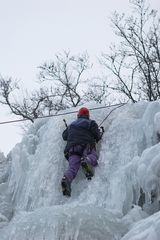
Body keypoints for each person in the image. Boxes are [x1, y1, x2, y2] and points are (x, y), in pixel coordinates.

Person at [61, 107, 103, 196]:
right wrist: (99, 133)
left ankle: (66, 179)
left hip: (72, 149)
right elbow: (97, 135)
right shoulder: (91, 123)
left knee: (72, 168)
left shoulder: (71, 125)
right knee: (92, 155)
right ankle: (86, 161)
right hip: (86, 145)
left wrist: (68, 129)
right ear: (88, 116)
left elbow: (64, 136)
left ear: (78, 116)